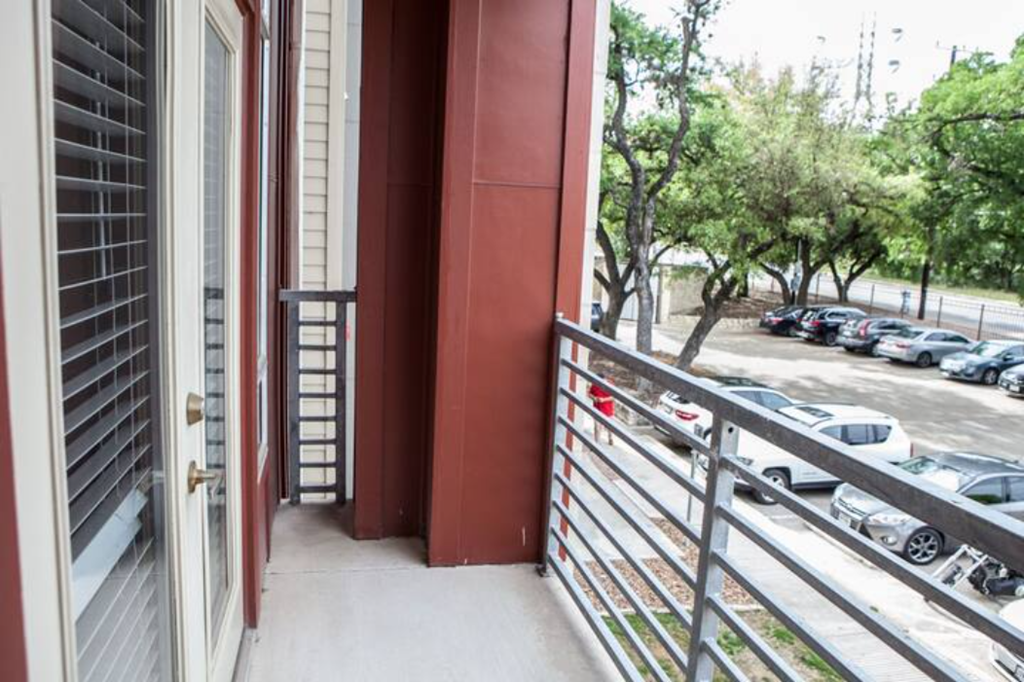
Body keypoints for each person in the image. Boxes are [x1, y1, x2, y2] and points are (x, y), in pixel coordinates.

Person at [588, 374, 616, 446]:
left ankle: (610, 438)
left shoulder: (610, 385)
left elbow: (613, 397)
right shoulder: (594, 385)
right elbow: (589, 394)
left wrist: (604, 399)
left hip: (608, 410)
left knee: (610, 427)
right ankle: (596, 443)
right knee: (597, 427)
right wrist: (593, 398)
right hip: (597, 409)